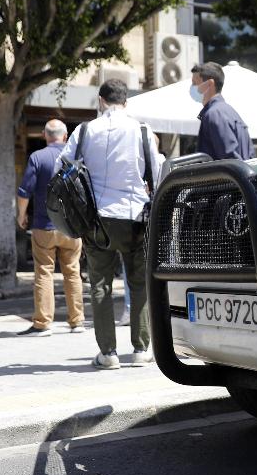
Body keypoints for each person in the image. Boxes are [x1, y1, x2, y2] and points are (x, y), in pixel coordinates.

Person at [62, 79, 163, 370]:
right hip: (134, 217)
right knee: (139, 282)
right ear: (126, 102)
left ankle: (108, 353)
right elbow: (155, 170)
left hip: (96, 219)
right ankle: (141, 348)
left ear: (100, 100)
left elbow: (63, 167)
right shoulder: (141, 130)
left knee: (100, 285)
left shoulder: (84, 130)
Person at [17, 119, 84, 337]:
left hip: (44, 225)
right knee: (73, 272)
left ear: (45, 136)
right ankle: (77, 321)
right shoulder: (75, 158)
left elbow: (25, 191)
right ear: (65, 136)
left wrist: (21, 215)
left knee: (44, 273)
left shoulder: (37, 157)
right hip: (72, 227)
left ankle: (43, 323)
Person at [190, 61, 254, 160]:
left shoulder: (214, 114)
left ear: (209, 84)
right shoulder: (229, 111)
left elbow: (230, 161)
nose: (192, 88)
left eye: (195, 83)